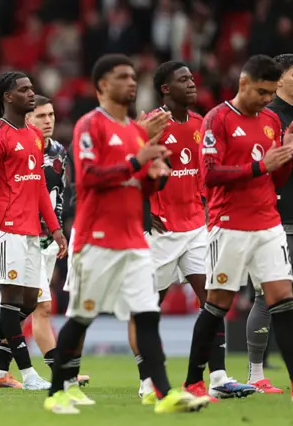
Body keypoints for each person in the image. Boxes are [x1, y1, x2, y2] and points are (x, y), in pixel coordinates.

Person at [45, 54, 210, 415]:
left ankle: (163, 393)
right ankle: (57, 391)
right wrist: (138, 161)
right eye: (122, 77)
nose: (132, 83)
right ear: (102, 85)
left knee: (147, 313)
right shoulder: (90, 125)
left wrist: (158, 174)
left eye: (134, 77)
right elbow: (89, 178)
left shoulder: (136, 132)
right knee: (82, 316)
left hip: (134, 239)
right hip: (96, 238)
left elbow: (142, 189)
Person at [136, 61, 256, 401]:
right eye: (183, 80)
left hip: (195, 228)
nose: (192, 84)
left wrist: (206, 207)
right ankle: (147, 380)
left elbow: (205, 172)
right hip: (159, 230)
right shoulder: (151, 124)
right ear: (164, 88)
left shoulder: (201, 123)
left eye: (192, 78)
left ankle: (217, 376)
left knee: (212, 301)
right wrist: (144, 211)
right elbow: (132, 170)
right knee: (148, 307)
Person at [184, 54, 293, 401]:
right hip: (229, 225)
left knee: (284, 300)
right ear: (243, 83)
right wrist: (260, 166)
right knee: (218, 303)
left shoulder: (272, 120)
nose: (265, 99)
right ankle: (192, 383)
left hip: (268, 223)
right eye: (261, 91)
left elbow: (276, 177)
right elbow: (211, 175)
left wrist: (286, 155)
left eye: (271, 92)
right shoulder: (217, 119)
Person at [0, 72, 68, 391]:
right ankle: (27, 374)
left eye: (31, 87)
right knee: (12, 302)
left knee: (28, 302)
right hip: (5, 230)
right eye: (23, 89)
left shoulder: (33, 135)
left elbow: (40, 185)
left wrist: (55, 229)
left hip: (30, 232)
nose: (31, 93)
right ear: (7, 97)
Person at [244, 53, 293, 392]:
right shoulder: (266, 117)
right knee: (268, 296)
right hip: (273, 216)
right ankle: (255, 374)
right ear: (279, 78)